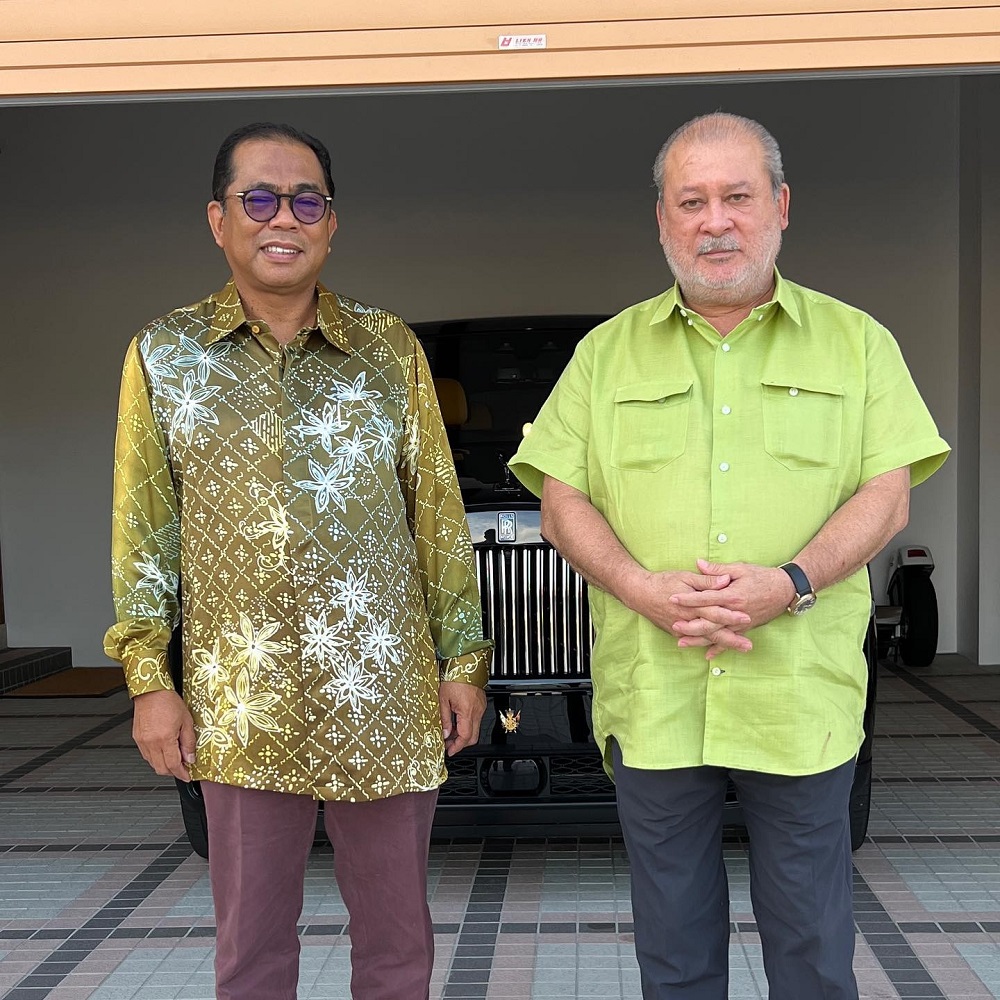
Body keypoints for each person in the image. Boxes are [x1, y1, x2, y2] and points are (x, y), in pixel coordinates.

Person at [509, 111, 949, 1000]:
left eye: (738, 197)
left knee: (814, 944)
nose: (717, 221)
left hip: (798, 693)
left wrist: (789, 583)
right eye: (693, 201)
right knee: (673, 949)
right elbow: (561, 499)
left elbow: (887, 494)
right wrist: (641, 588)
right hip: (657, 689)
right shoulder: (606, 355)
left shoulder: (857, 343)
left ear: (780, 207)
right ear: (663, 221)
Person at [104, 122, 491, 1000]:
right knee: (251, 952)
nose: (285, 217)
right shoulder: (164, 355)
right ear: (218, 220)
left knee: (397, 946)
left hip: (383, 696)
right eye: (260, 199)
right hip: (239, 702)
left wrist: (464, 661)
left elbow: (436, 514)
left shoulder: (389, 350)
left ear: (331, 223)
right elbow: (144, 531)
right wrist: (147, 678)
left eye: (306, 200)